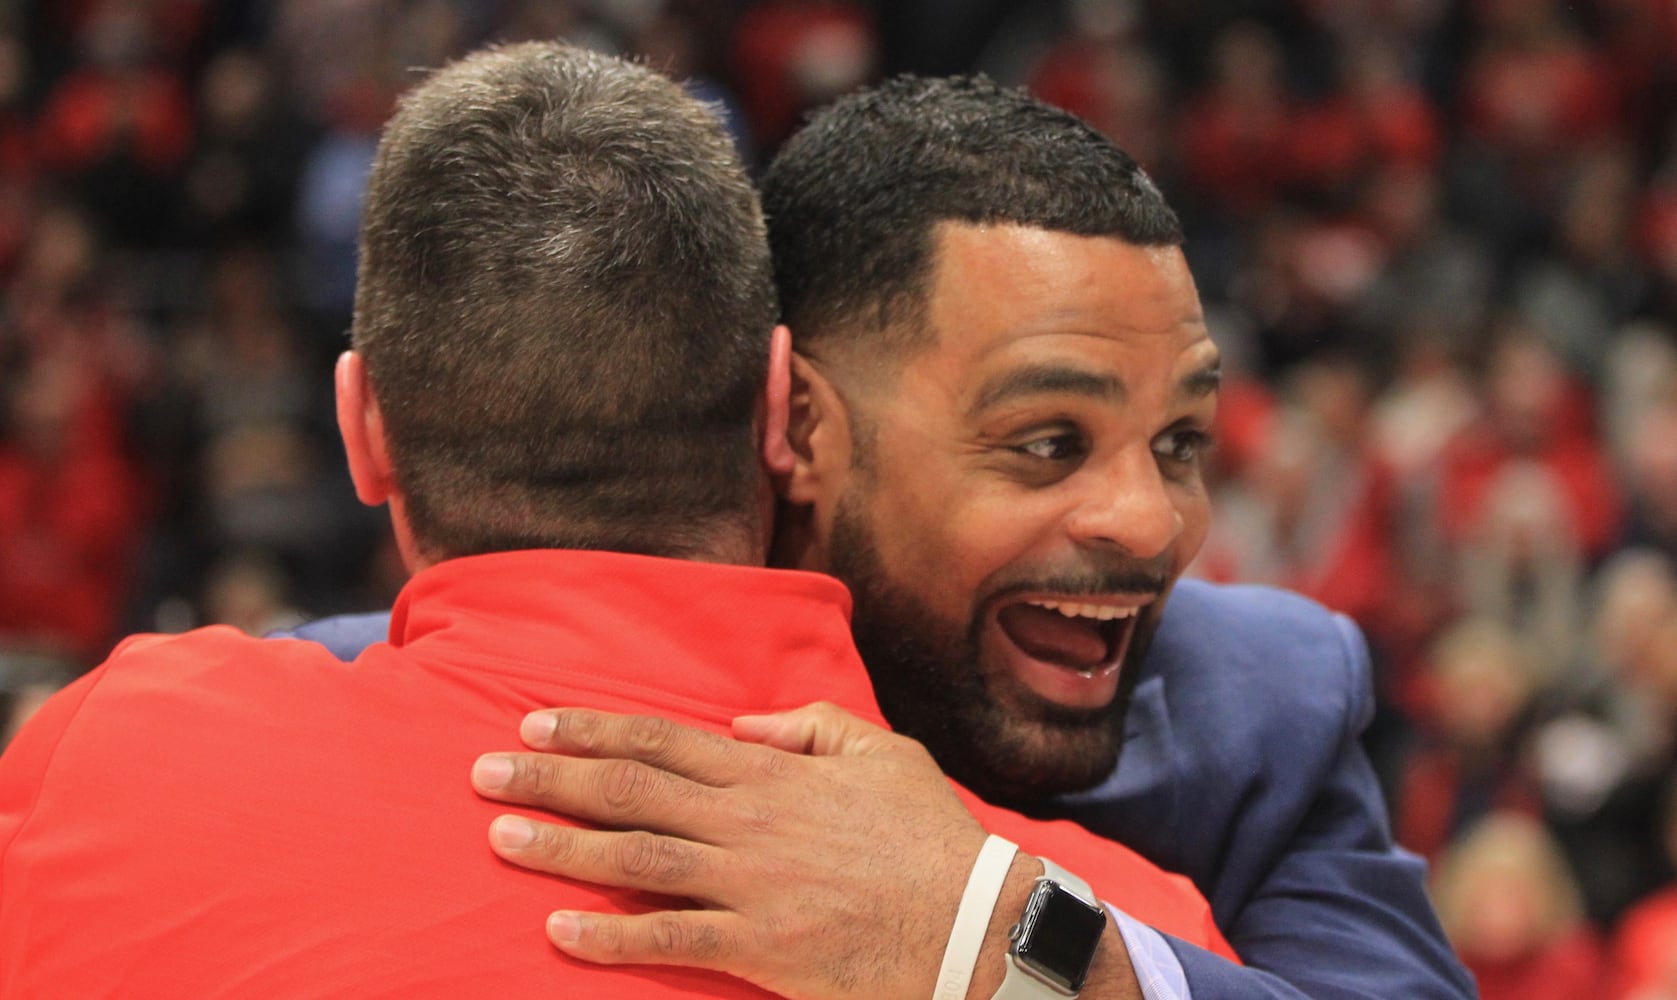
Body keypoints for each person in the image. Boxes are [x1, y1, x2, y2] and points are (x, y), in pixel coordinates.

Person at [0, 44, 1233, 998]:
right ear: (776, 408)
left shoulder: (113, 763)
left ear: (362, 430)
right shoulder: (1109, 938)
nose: (1138, 515)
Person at [291, 77, 1474, 997]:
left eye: (1179, 441)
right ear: (799, 423)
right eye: (1048, 442)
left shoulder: (1264, 703)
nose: (1153, 522)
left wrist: (992, 931)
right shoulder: (419, 702)